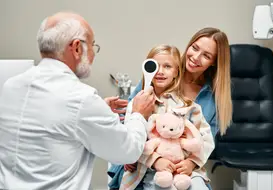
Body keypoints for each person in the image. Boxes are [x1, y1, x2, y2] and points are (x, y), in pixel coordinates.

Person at [0, 12, 156, 190]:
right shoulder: (82, 99)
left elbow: (47, 124)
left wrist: (99, 110)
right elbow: (127, 151)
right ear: (76, 48)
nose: (93, 54)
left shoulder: (11, 86)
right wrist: (138, 114)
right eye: (92, 46)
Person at [109, 27, 233, 189]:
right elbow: (133, 121)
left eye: (206, 55)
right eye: (195, 48)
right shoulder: (159, 78)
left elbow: (205, 140)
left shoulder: (211, 97)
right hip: (143, 161)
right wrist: (147, 158)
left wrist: (191, 163)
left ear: (214, 62)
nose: (196, 57)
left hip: (185, 169)